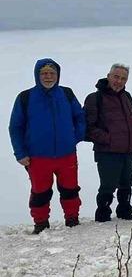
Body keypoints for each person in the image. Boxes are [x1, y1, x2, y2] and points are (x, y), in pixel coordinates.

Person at [9, 59, 86, 233]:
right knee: (40, 192)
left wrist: (75, 137)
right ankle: (41, 223)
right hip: (37, 156)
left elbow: (80, 117)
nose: (48, 76)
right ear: (37, 75)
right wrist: (20, 153)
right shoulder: (25, 97)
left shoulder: (66, 94)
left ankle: (72, 219)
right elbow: (15, 127)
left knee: (70, 189)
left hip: (66, 154)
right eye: (44, 73)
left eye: (52, 73)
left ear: (58, 75)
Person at [84, 63, 132, 222]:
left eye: (123, 78)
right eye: (116, 77)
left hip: (128, 150)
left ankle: (124, 212)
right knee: (108, 185)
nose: (119, 81)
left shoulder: (127, 96)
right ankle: (103, 215)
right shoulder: (94, 98)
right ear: (108, 76)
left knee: (126, 183)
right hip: (107, 152)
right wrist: (109, 139)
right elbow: (88, 128)